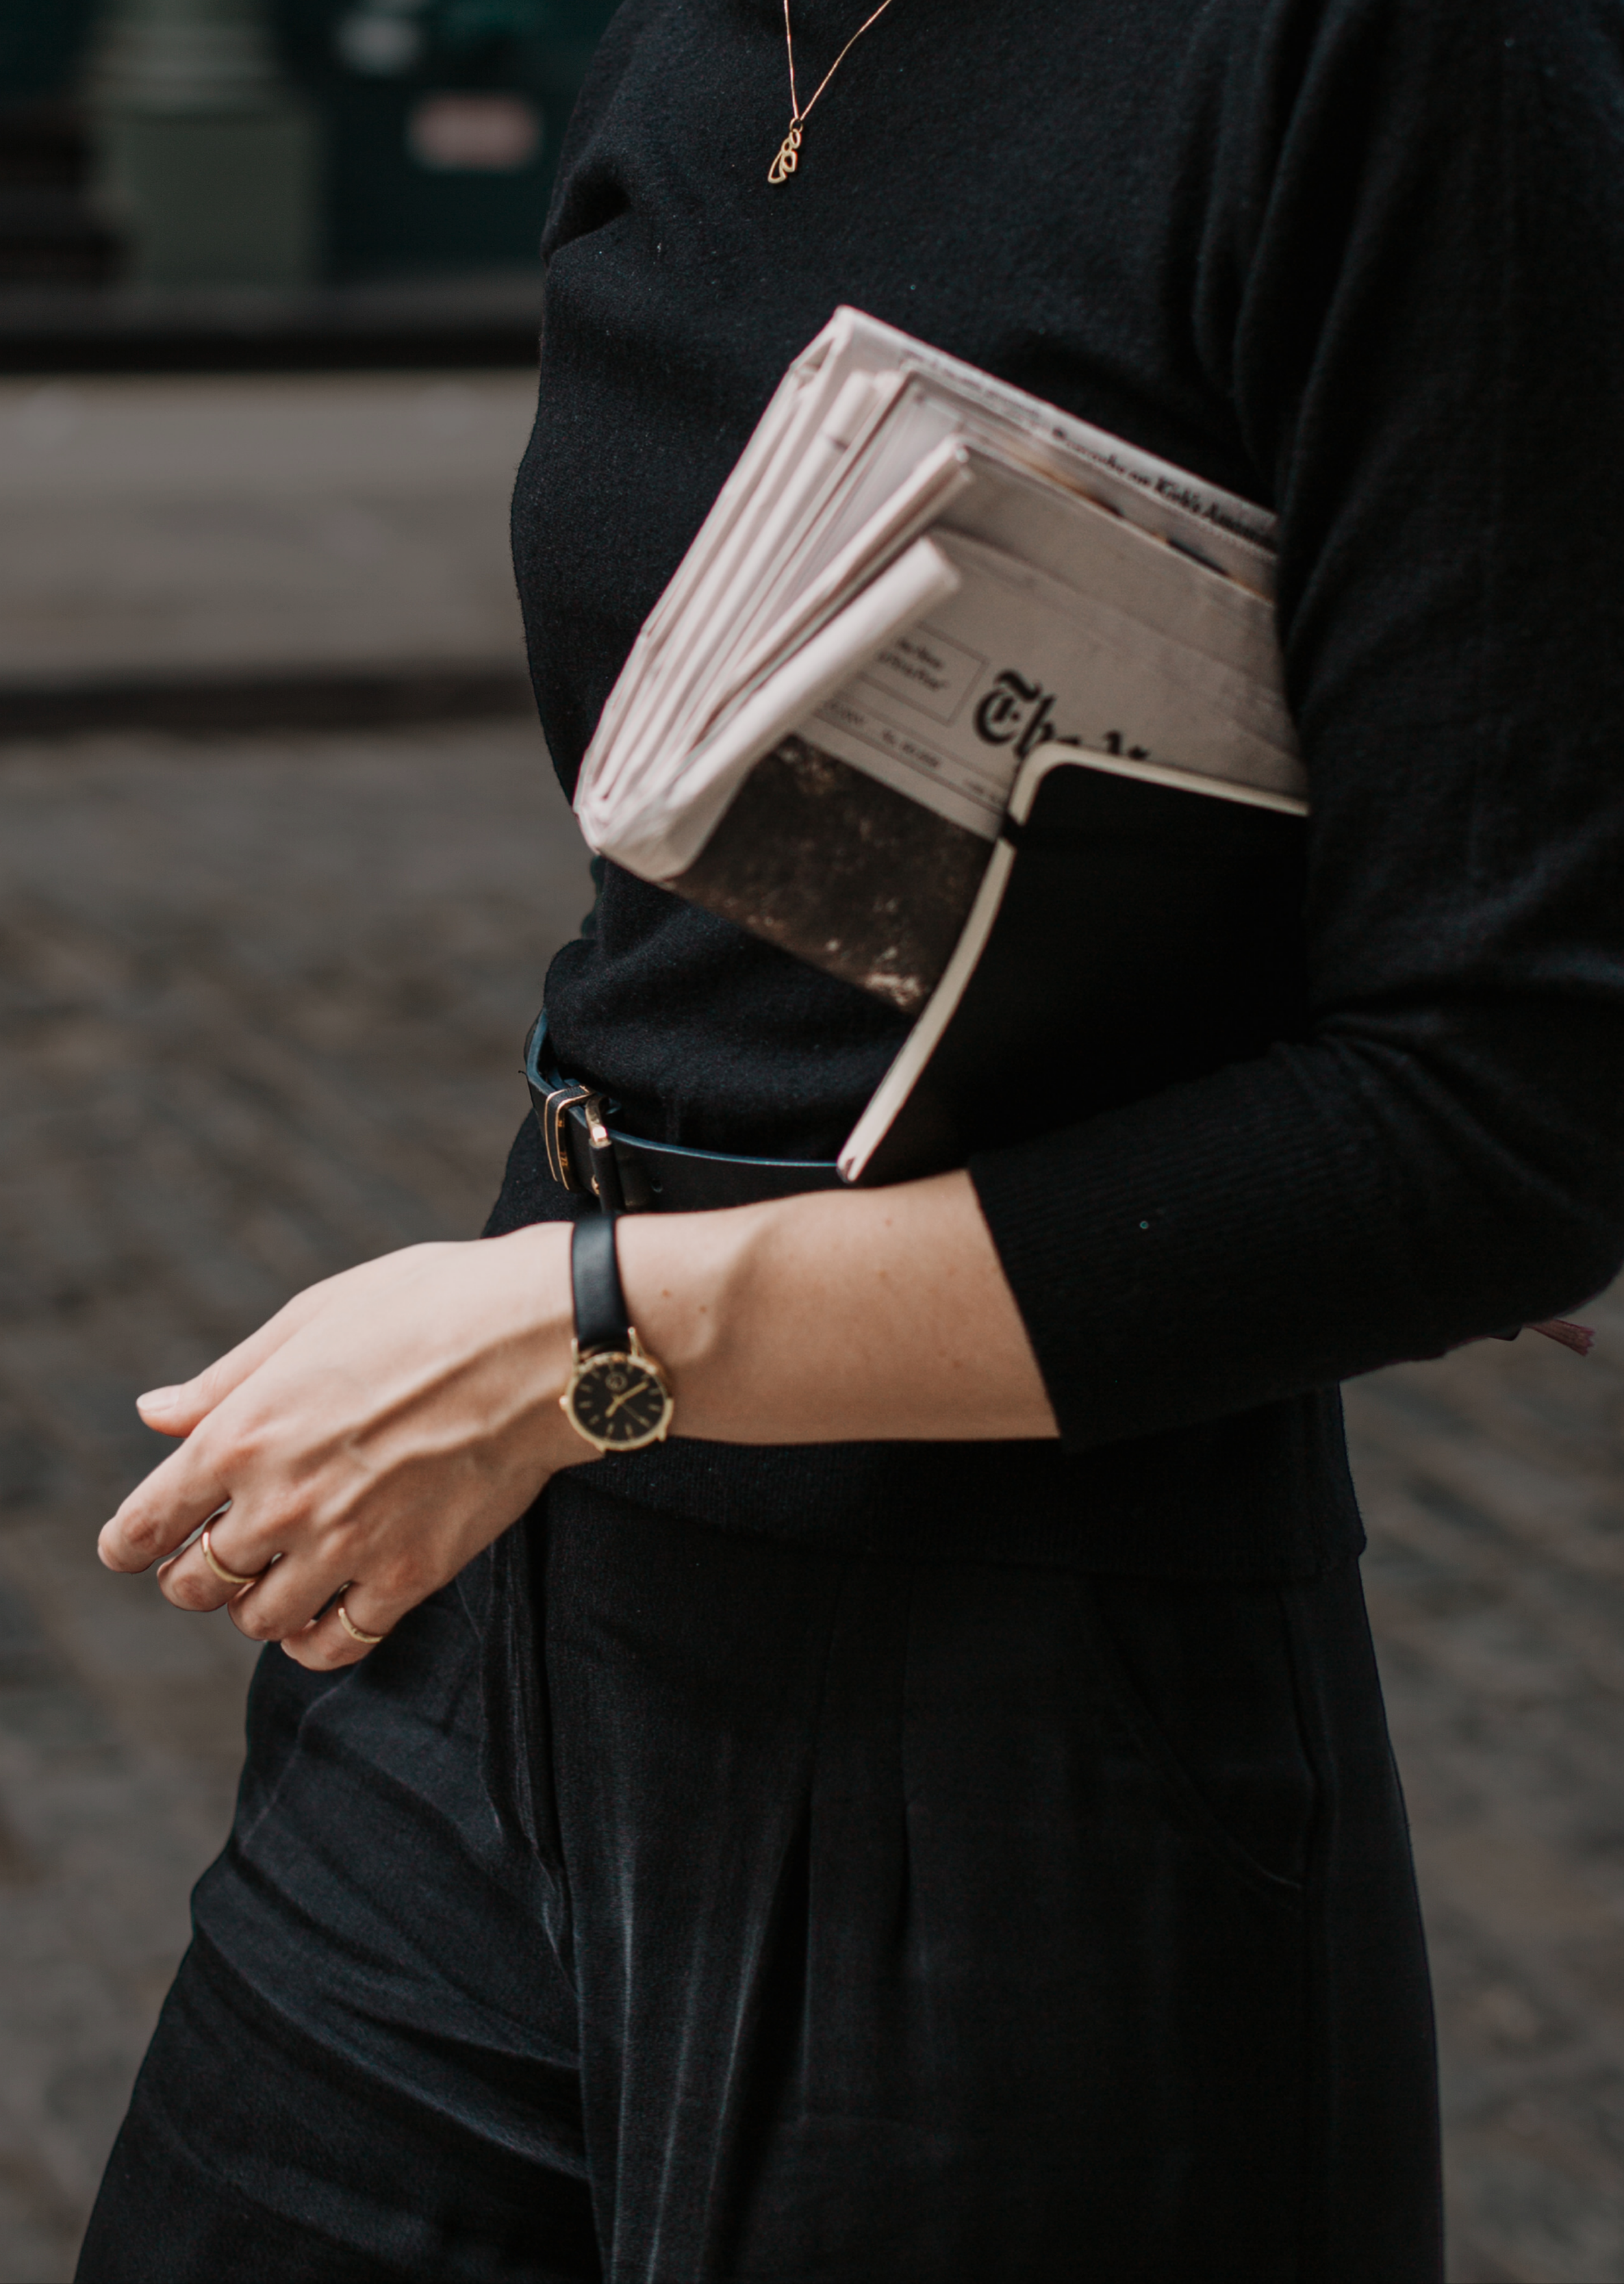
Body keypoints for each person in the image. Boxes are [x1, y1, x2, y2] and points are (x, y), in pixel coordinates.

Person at [75, 1, 1624, 2278]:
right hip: (488, 1627)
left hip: (1020, 1724)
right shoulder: (701, 34)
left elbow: (1507, 1110)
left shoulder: (1395, 55)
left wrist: (581, 1341)